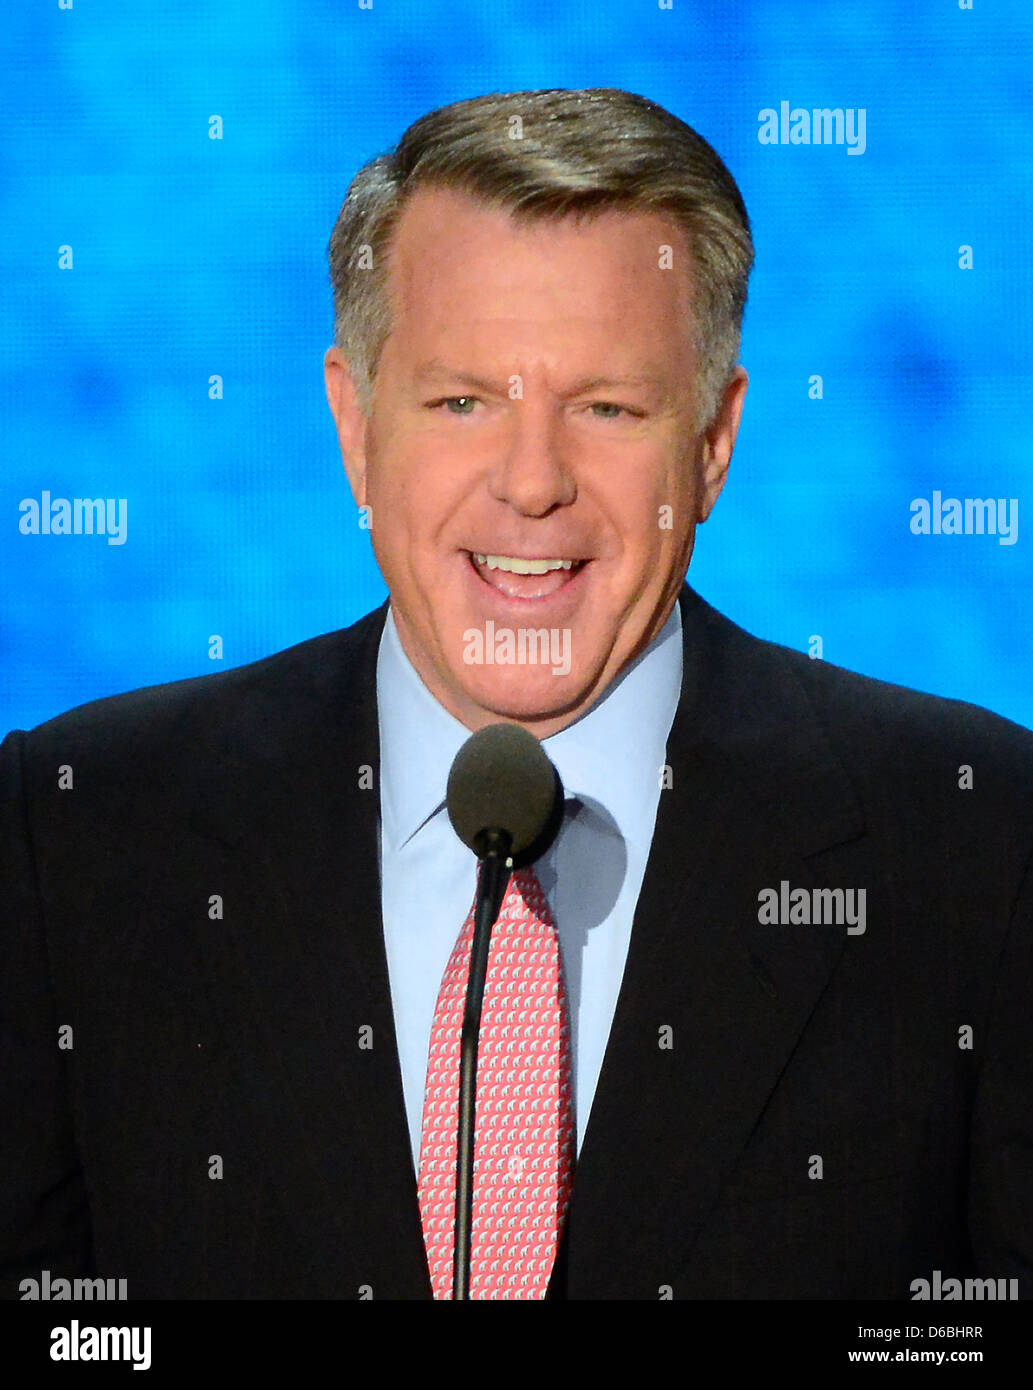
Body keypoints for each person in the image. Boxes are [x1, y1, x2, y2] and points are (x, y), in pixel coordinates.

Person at [2, 87, 1031, 1302]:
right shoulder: (73, 828)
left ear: (710, 445)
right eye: (462, 401)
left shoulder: (978, 838)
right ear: (354, 425)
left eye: (606, 407)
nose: (532, 483)